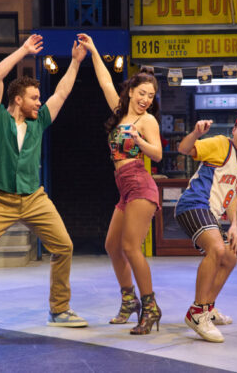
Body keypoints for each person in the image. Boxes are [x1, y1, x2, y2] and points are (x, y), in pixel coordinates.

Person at [0, 34, 89, 337]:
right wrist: (23, 51)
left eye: (40, 99)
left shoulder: (39, 122)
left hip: (34, 197)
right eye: (34, 98)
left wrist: (76, 63)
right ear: (17, 99)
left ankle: (59, 310)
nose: (40, 102)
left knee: (64, 246)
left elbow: (61, 94)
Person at [76, 33, 163, 335]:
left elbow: (159, 154)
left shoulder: (147, 121)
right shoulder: (120, 111)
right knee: (112, 245)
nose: (145, 100)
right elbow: (104, 81)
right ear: (131, 91)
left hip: (141, 185)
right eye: (141, 93)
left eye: (150, 96)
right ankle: (130, 301)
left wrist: (140, 140)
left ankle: (150, 307)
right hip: (125, 190)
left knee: (129, 246)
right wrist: (94, 49)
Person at [174, 111, 237, 343]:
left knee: (229, 258)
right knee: (217, 250)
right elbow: (184, 149)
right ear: (233, 130)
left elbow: (233, 196)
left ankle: (208, 307)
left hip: (211, 213)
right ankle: (197, 313)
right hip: (193, 204)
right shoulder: (221, 145)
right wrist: (195, 133)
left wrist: (234, 225)